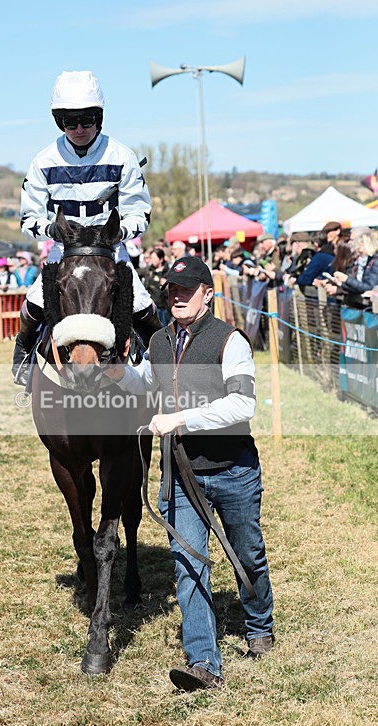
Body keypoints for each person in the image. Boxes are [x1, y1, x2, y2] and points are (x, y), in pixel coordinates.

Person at [107, 255, 274, 691]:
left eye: (186, 288)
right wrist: (115, 371)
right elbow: (145, 383)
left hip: (233, 470)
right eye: (171, 289)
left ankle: (258, 625)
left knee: (247, 554)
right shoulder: (160, 341)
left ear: (208, 293)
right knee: (188, 564)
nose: (176, 295)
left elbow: (242, 405)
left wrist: (181, 418)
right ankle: (204, 663)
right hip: (180, 475)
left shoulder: (229, 340)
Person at [13, 70, 159, 384]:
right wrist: (52, 230)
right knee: (34, 302)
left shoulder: (122, 156)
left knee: (146, 308)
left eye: (87, 120)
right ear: (59, 122)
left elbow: (140, 214)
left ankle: (165, 366)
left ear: (100, 118)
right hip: (64, 250)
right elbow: (28, 218)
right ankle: (22, 355)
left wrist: (120, 232)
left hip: (111, 249)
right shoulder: (43, 160)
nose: (79, 128)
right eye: (70, 121)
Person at [144, 247, 170, 325]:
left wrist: (167, 285)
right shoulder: (149, 270)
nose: (152, 260)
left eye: (154, 258)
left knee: (163, 329)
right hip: (150, 307)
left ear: (161, 259)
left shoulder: (168, 272)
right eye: (151, 258)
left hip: (163, 309)